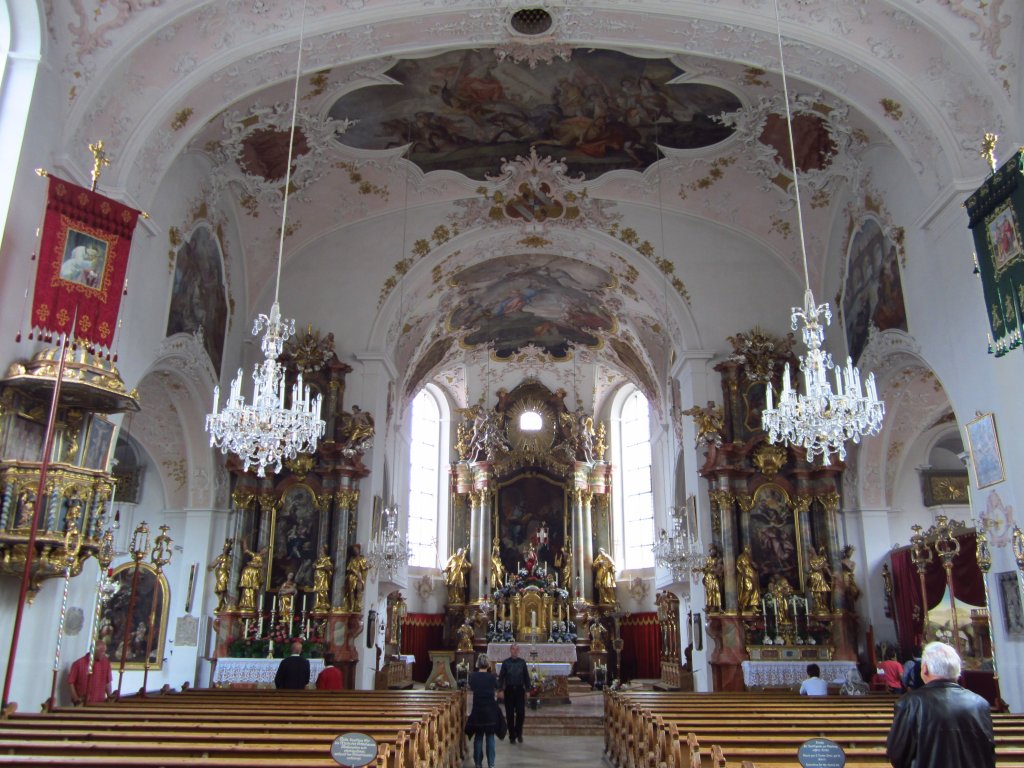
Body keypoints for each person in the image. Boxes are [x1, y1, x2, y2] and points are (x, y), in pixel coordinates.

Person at [886, 641, 995, 768]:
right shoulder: (979, 703)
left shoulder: (909, 703)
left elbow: (897, 754)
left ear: (925, 668)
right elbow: (988, 752)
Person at [466, 654, 503, 768]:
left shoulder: (473, 676)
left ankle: (478, 763)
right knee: (490, 737)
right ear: (488, 665)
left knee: (478, 737)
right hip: (489, 710)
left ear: (477, 664)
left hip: (478, 710)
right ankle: (491, 764)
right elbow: (498, 686)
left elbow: (471, 686)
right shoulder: (492, 677)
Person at [497, 643, 528, 745]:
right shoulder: (505, 663)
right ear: (510, 650)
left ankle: (518, 733)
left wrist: (528, 690)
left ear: (518, 651)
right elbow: (501, 677)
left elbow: (526, 678)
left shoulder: (522, 663)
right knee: (509, 714)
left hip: (519, 690)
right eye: (513, 649)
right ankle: (512, 736)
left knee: (521, 713)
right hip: (509, 690)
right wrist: (500, 690)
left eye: (516, 649)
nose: (514, 651)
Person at [343, 544, 370, 612]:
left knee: (358, 592)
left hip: (359, 578)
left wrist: (367, 567)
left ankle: (358, 606)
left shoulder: (362, 559)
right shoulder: (352, 560)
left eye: (356, 549)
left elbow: (365, 567)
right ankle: (351, 606)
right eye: (354, 549)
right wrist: (355, 572)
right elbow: (349, 568)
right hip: (352, 577)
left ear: (359, 550)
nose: (355, 551)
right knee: (351, 591)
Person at [238, 546, 266, 612]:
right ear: (261, 550)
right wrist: (244, 543)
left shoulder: (261, 559)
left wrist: (254, 565)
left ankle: (251, 604)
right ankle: (244, 603)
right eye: (264, 550)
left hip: (254, 573)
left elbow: (260, 565)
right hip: (249, 572)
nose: (264, 552)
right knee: (246, 587)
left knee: (252, 589)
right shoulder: (255, 554)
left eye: (265, 551)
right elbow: (246, 550)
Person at [208, 539, 233, 613]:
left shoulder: (229, 558)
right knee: (220, 590)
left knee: (224, 590)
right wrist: (212, 568)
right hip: (220, 575)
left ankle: (222, 604)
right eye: (225, 549)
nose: (225, 550)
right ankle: (221, 604)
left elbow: (230, 566)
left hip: (225, 575)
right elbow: (213, 565)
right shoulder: (220, 557)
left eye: (227, 549)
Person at [736, 545, 760, 613]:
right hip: (746, 575)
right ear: (745, 549)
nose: (749, 550)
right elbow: (738, 565)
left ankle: (753, 605)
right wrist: (742, 573)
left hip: (753, 575)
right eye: (748, 548)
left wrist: (754, 565)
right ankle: (744, 604)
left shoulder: (751, 557)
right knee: (749, 589)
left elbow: (756, 566)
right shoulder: (741, 557)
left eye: (750, 549)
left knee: (755, 590)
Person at [808, 546, 832, 614]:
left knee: (825, 591)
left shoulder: (821, 558)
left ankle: (824, 605)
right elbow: (815, 568)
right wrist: (822, 565)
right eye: (810, 550)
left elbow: (826, 568)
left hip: (821, 576)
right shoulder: (811, 560)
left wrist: (831, 575)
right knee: (817, 593)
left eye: (812, 549)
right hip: (815, 577)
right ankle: (818, 606)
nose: (812, 550)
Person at [312, 547, 333, 613]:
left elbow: (330, 567)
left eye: (321, 550)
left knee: (322, 590)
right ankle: (318, 604)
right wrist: (315, 565)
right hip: (317, 576)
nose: (320, 551)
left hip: (322, 576)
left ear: (324, 551)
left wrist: (320, 567)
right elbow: (313, 566)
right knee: (318, 590)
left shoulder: (326, 559)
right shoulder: (318, 559)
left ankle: (324, 604)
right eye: (320, 550)